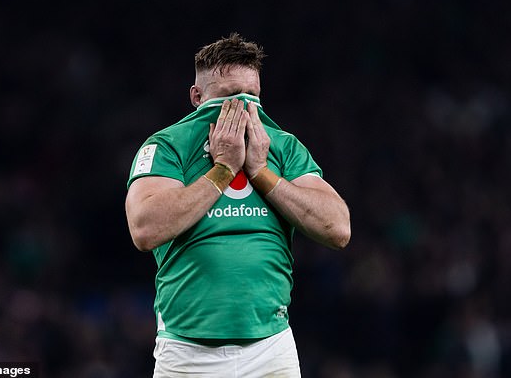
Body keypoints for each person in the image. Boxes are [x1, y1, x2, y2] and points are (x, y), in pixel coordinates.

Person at [125, 32, 351, 377]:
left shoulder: (283, 146)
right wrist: (223, 170)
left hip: (271, 348)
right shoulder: (167, 146)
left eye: (253, 96)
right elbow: (145, 228)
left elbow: (337, 228)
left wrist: (260, 171)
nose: (245, 107)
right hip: (188, 352)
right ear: (197, 97)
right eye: (231, 96)